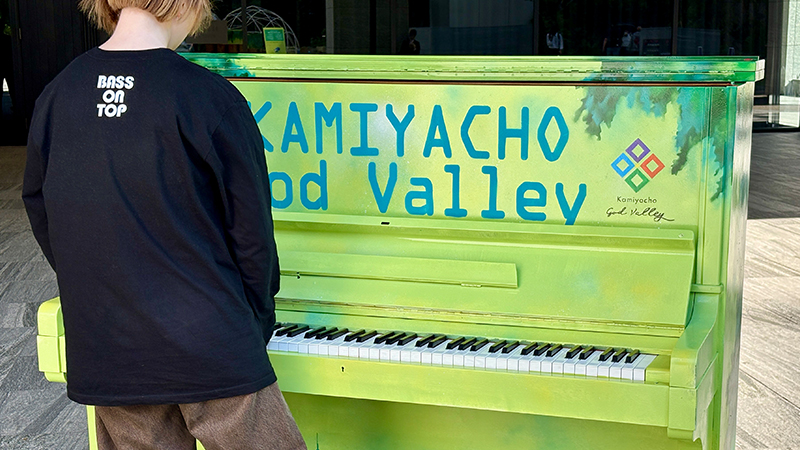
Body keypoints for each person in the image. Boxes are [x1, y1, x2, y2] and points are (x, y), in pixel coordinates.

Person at [22, 1, 306, 449]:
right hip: (211, 342)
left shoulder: (58, 95)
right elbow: (251, 234)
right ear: (187, 4)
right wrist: (253, 324)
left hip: (110, 346)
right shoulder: (209, 97)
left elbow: (41, 207)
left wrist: (100, 289)